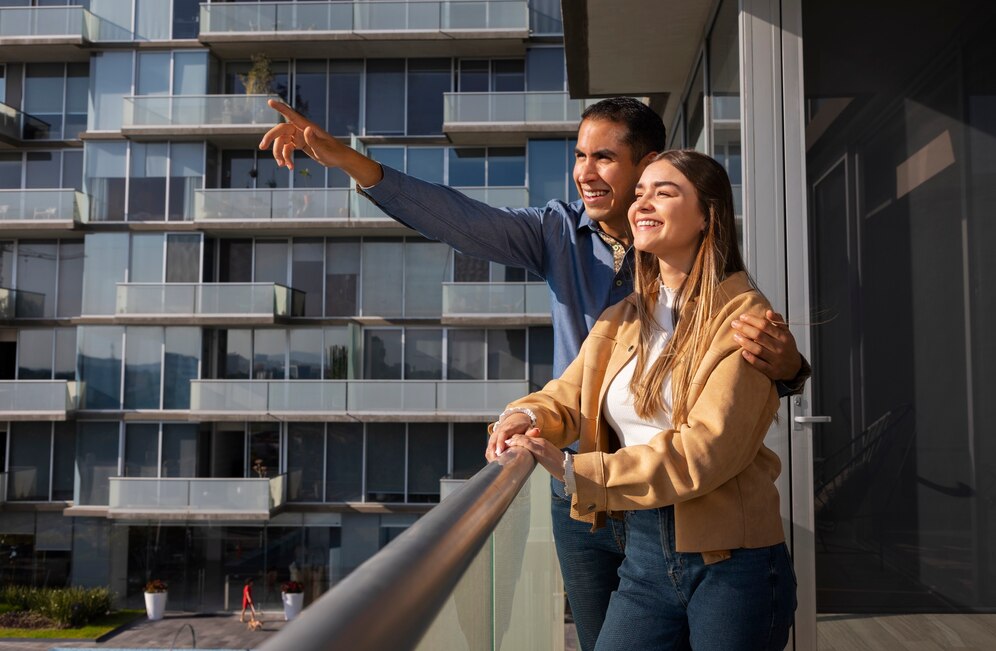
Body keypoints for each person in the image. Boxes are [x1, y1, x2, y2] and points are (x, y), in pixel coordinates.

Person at [259, 99, 807, 650]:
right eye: (580, 156)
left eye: (605, 159)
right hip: (589, 501)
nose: (584, 173)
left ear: (651, 168)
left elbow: (721, 419)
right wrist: (524, 415)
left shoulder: (728, 304)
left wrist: (790, 369)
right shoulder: (572, 247)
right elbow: (461, 223)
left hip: (699, 521)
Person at [492, 150, 797, 650]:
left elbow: (706, 450)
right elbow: (568, 397)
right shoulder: (626, 315)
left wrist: (579, 473)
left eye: (664, 192)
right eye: (639, 193)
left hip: (732, 563)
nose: (641, 204)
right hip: (645, 553)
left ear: (707, 215)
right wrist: (525, 416)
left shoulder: (745, 319)